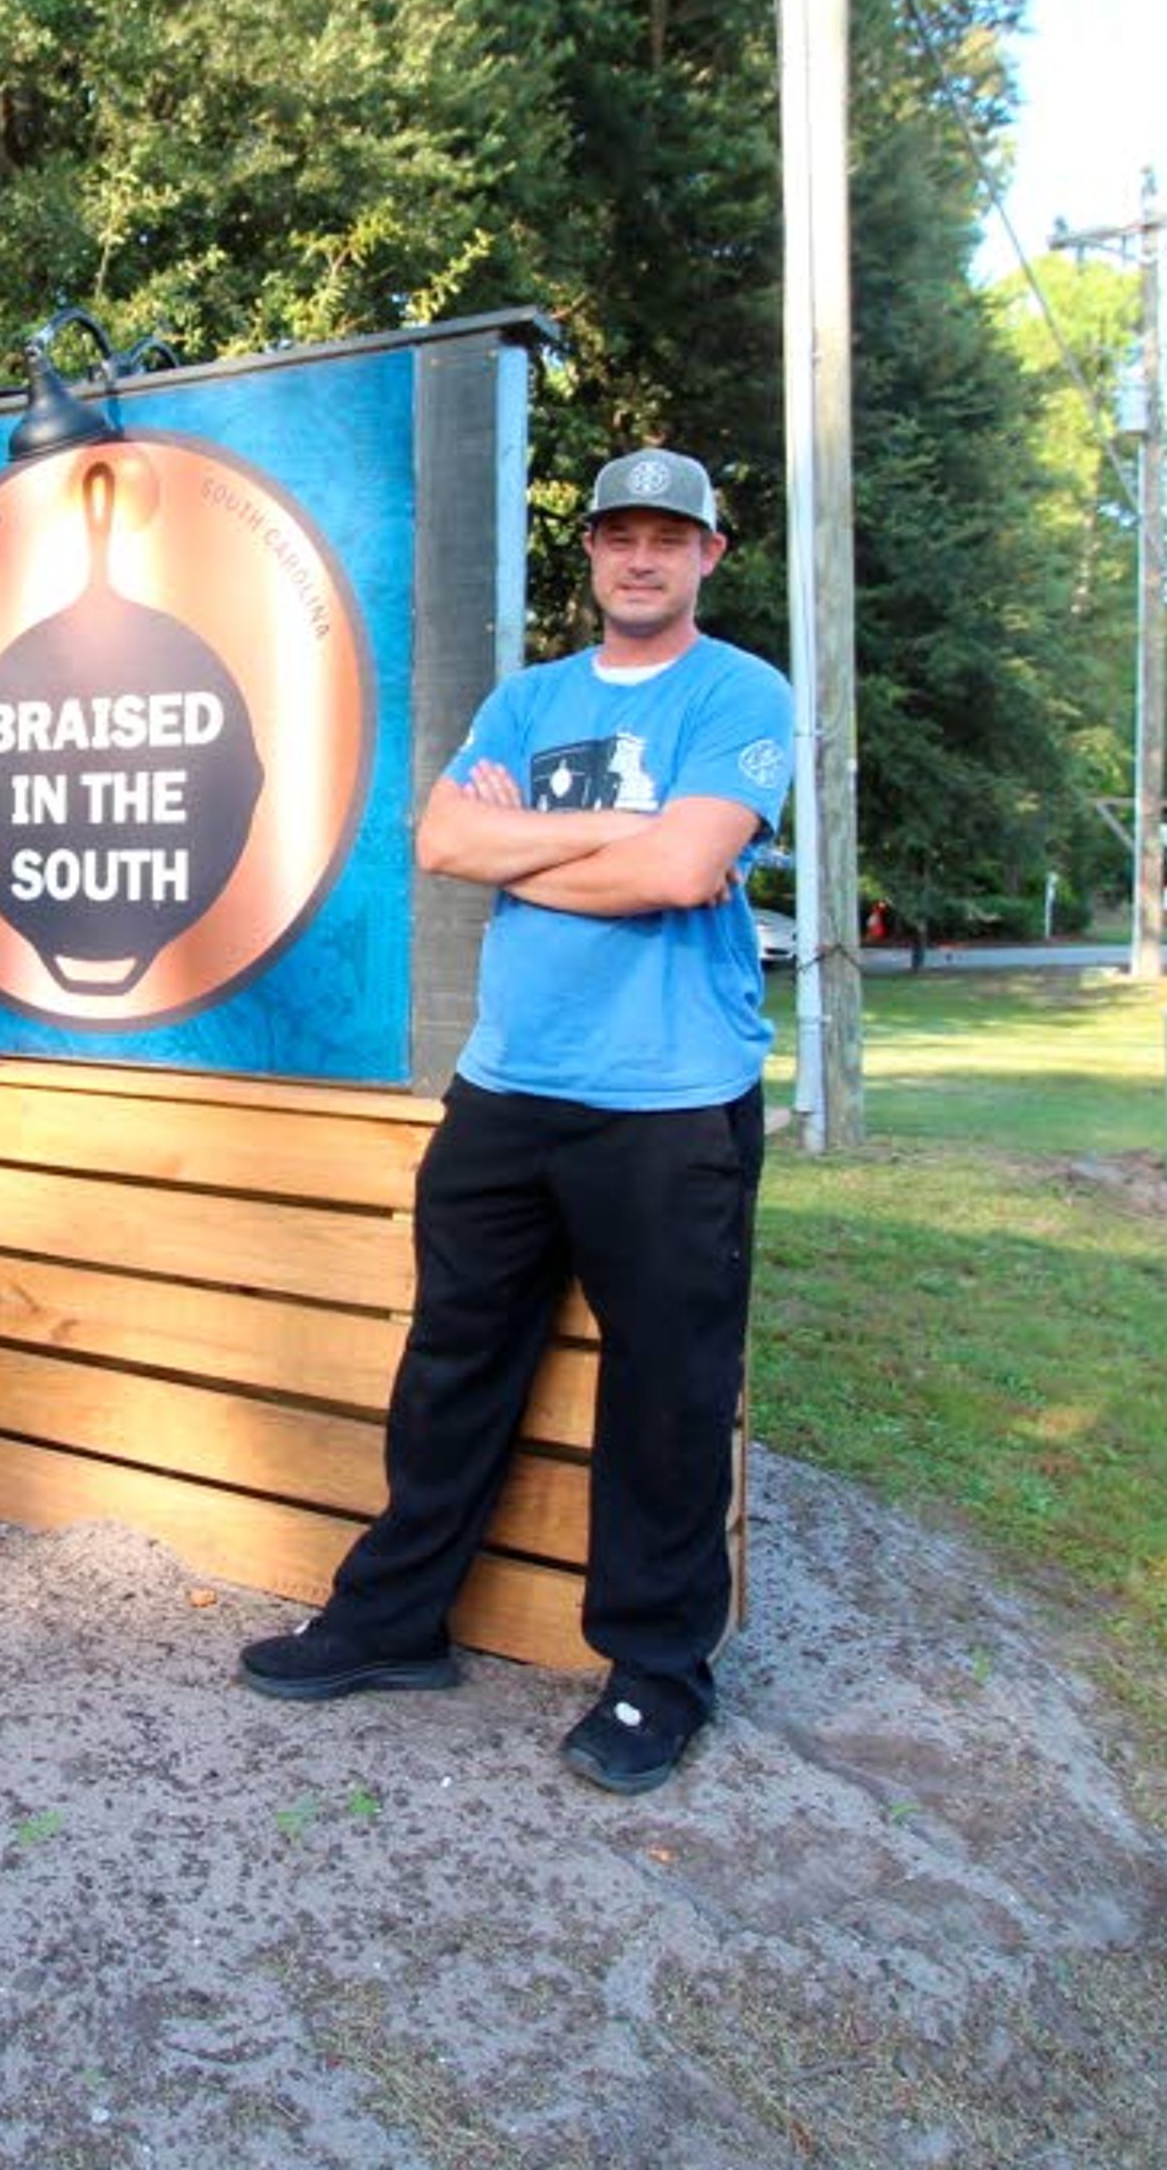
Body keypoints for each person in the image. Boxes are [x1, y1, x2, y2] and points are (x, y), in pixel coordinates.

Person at [239, 447, 790, 1793]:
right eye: (621, 536)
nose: (642, 557)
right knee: (450, 1370)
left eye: (672, 535)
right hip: (505, 1094)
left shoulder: (738, 691)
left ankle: (657, 1674)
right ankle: (394, 1620)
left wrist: (538, 840)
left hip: (669, 1110)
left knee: (667, 1398)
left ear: (709, 554)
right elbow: (439, 844)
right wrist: (617, 840)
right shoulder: (528, 698)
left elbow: (684, 867)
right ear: (592, 553)